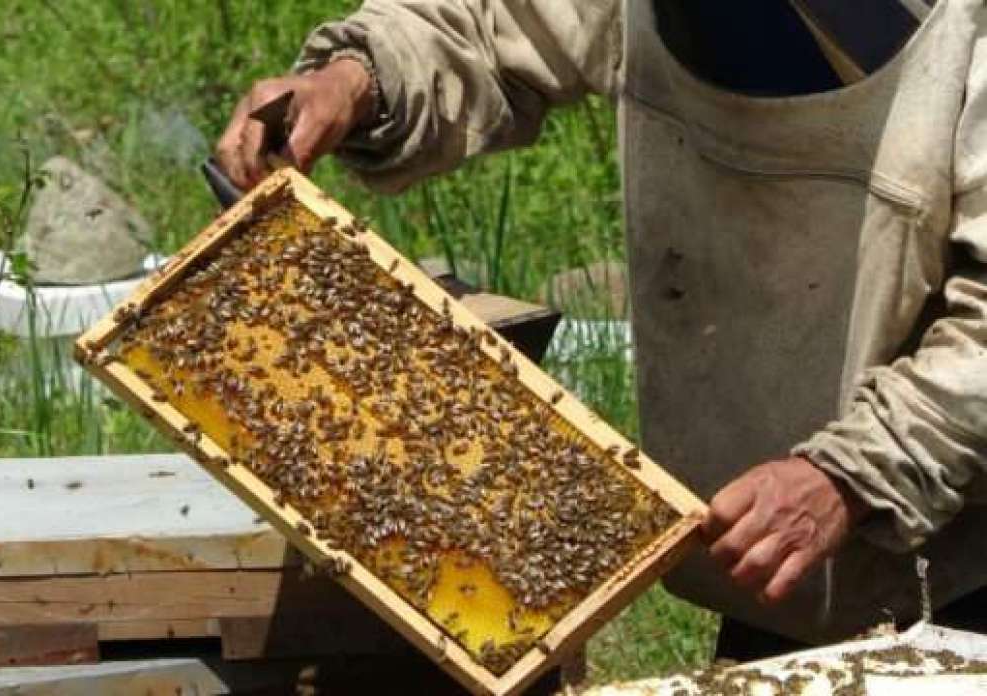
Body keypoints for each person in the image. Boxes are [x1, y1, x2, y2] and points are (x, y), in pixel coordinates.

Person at [215, 0, 987, 661]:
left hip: (957, 571)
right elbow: (492, 23)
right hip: (778, 564)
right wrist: (354, 77)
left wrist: (851, 476)